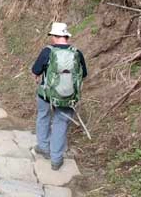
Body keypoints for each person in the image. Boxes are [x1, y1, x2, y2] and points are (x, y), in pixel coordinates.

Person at [31, 21, 88, 171]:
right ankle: (56, 159)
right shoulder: (76, 53)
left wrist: (38, 76)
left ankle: (43, 147)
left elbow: (35, 69)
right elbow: (84, 74)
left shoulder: (47, 51)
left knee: (43, 115)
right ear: (66, 36)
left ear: (54, 36)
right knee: (60, 123)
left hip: (46, 94)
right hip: (68, 97)